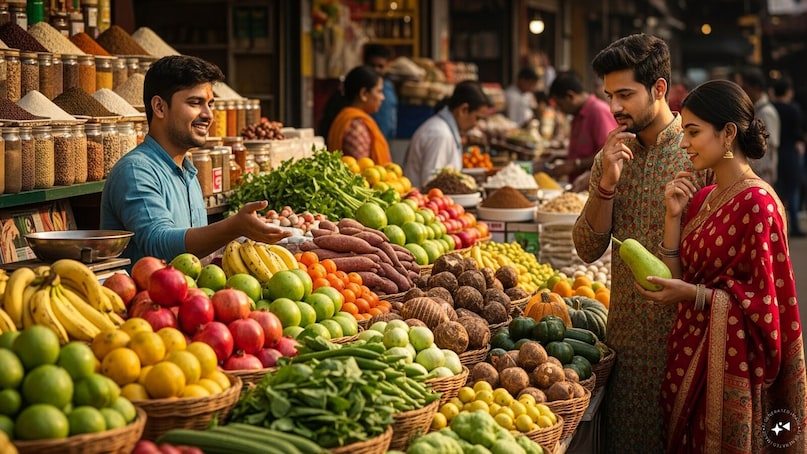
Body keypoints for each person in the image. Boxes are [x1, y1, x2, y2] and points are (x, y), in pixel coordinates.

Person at [637, 79, 807, 452]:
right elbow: (678, 279)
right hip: (688, 358)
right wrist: (672, 218)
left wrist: (697, 297)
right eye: (683, 132)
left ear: (728, 133)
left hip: (731, 371)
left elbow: (766, 308)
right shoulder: (702, 199)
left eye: (693, 132)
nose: (684, 144)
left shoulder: (758, 204)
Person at [571, 33, 712, 453]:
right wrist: (606, 187)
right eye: (609, 95)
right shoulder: (612, 155)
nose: (614, 107)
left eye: (626, 95)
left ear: (660, 88)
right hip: (626, 342)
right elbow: (586, 247)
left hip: (686, 338)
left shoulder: (696, 152)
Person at [101, 55, 290, 265]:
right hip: (149, 297)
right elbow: (158, 243)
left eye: (210, 104)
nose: (208, 114)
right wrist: (233, 226)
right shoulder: (136, 171)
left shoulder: (188, 171)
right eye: (195, 103)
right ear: (160, 107)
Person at [403, 80, 492, 189]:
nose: (476, 125)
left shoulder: (444, 129)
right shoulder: (440, 134)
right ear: (463, 110)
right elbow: (432, 184)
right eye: (477, 118)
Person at [548, 71, 617, 185]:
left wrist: (576, 164)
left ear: (570, 96)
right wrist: (560, 155)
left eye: (560, 105)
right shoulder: (577, 114)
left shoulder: (598, 111)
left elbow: (609, 153)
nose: (561, 110)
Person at [324, 65, 391, 164]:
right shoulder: (355, 125)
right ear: (363, 94)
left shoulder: (348, 118)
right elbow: (362, 169)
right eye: (379, 91)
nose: (382, 97)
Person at [771, 75, 805, 237]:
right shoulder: (793, 109)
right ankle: (795, 226)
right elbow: (797, 131)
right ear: (788, 91)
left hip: (776, 152)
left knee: (778, 190)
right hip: (790, 151)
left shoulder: (771, 108)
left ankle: (779, 225)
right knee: (793, 190)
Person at [735, 67, 780, 186]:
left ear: (756, 88)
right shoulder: (756, 109)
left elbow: (771, 147)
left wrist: (766, 173)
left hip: (763, 174)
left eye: (745, 88)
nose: (743, 93)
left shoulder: (766, 112)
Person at [363, 44, 398, 142]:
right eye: (372, 65)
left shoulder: (387, 86)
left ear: (387, 65)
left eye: (380, 66)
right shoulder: (363, 88)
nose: (376, 70)